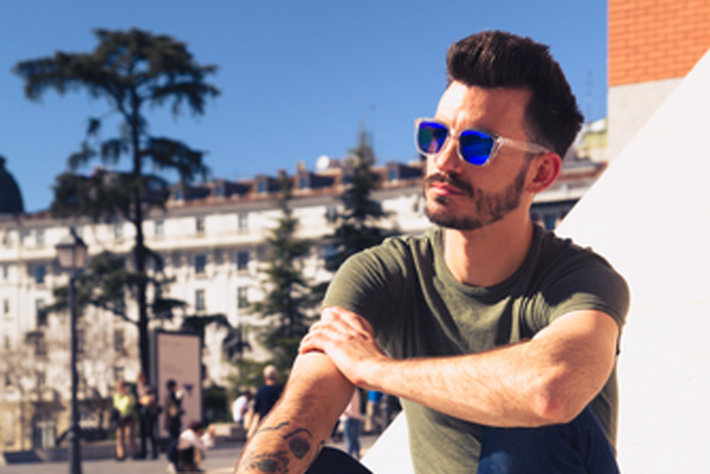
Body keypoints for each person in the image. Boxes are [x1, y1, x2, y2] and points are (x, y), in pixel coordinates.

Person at [235, 30, 629, 474]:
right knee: (303, 463)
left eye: (478, 145)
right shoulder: (382, 273)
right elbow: (302, 413)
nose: (443, 160)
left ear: (540, 174)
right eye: (436, 135)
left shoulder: (581, 281)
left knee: (530, 423)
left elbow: (550, 391)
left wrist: (375, 370)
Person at [136, 371, 160, 459]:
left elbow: (154, 398)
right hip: (141, 412)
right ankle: (143, 452)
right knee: (142, 433)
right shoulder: (137, 388)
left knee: (150, 432)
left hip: (149, 413)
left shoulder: (149, 387)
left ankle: (154, 452)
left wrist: (147, 399)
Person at [112, 379, 138, 461]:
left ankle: (136, 452)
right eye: (119, 387)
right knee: (119, 436)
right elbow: (116, 407)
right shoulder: (117, 396)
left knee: (129, 436)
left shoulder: (130, 396)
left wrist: (126, 394)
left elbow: (132, 405)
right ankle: (121, 454)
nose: (120, 388)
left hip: (129, 418)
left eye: (122, 387)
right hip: (120, 418)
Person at [340, 389, 363, 460]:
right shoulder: (356, 391)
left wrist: (344, 412)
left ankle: (349, 456)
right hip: (356, 416)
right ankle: (357, 455)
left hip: (348, 417)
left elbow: (342, 405)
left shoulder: (346, 391)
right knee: (354, 438)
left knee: (349, 439)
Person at [165, 379, 184, 445]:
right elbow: (175, 407)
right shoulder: (171, 395)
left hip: (172, 421)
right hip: (172, 421)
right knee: (174, 438)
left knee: (174, 437)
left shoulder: (170, 395)